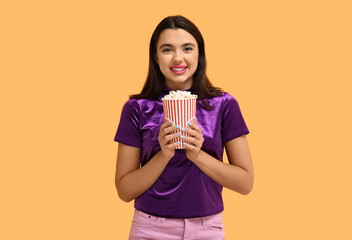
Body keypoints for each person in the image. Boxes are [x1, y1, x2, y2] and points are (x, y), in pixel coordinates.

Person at [114, 15, 254, 240]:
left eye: (187, 48)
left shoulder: (224, 105)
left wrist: (197, 155)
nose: (178, 58)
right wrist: (163, 154)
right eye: (167, 49)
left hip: (207, 228)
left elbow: (245, 183)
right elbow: (124, 190)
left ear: (200, 54)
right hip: (150, 228)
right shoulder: (136, 108)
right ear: (155, 56)